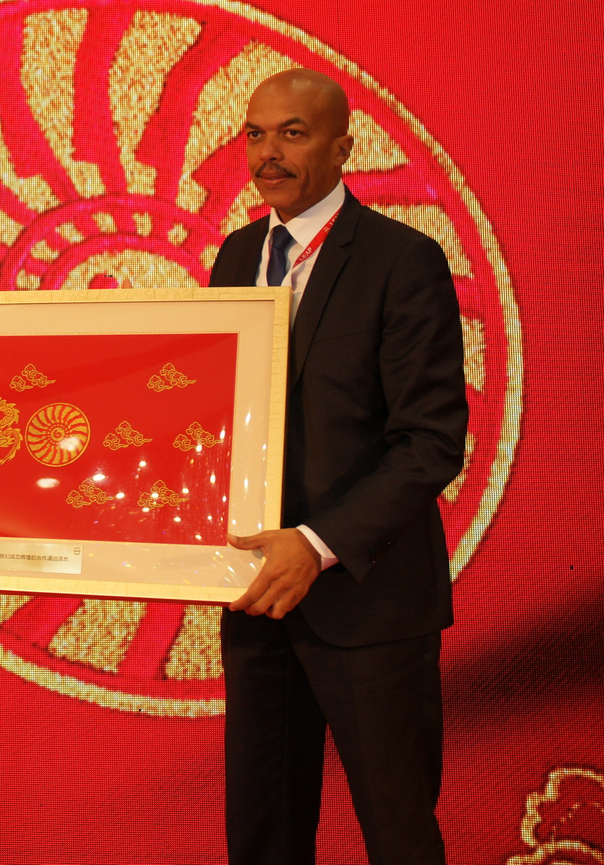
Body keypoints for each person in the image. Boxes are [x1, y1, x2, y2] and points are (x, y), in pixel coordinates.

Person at [212, 68, 467, 865]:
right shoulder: (235, 257)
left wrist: (316, 543)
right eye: (255, 133)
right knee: (263, 837)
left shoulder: (403, 259)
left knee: (398, 835)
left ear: (343, 146)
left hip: (370, 607)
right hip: (256, 606)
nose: (268, 153)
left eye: (293, 132)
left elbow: (430, 441)